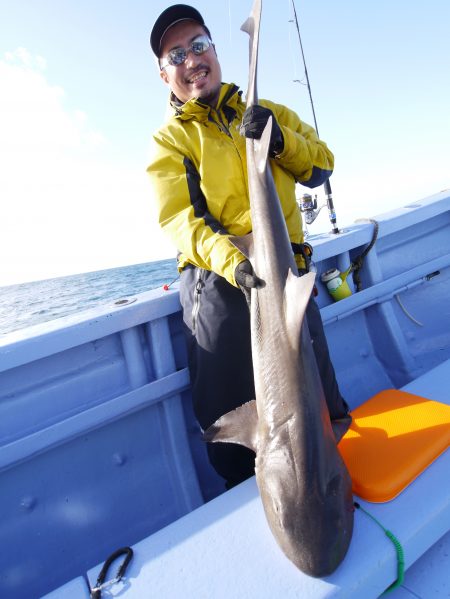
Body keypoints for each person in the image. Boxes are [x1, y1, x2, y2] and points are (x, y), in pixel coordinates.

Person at [147, 4, 350, 489]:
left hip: (284, 272)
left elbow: (321, 165)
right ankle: (244, 489)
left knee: (317, 401)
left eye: (199, 45)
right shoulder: (171, 141)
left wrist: (279, 141)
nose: (191, 59)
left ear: (215, 51)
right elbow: (180, 221)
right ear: (163, 74)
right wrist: (236, 264)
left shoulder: (270, 112)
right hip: (223, 280)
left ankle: (329, 473)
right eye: (177, 54)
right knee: (234, 432)